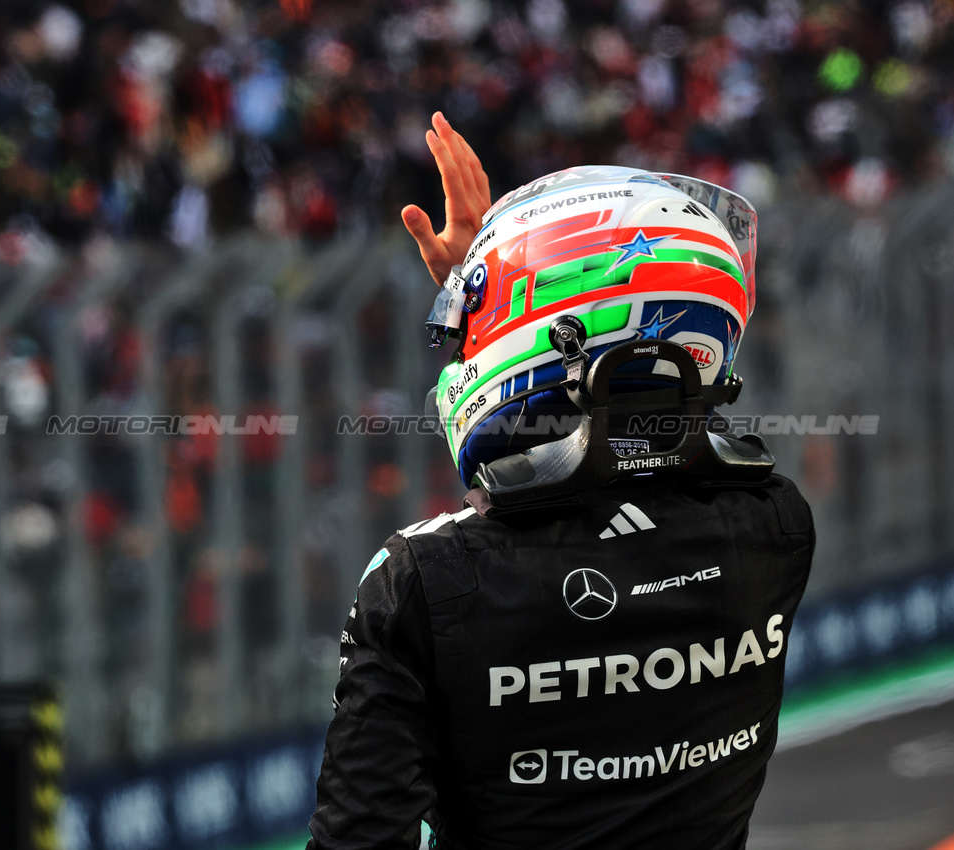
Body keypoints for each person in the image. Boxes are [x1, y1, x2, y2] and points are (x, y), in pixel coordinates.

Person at [306, 112, 815, 850]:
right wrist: (502, 281)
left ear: (553, 338)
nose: (460, 353)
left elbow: (359, 837)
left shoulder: (424, 579)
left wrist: (490, 291)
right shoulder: (774, 523)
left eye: (471, 331)